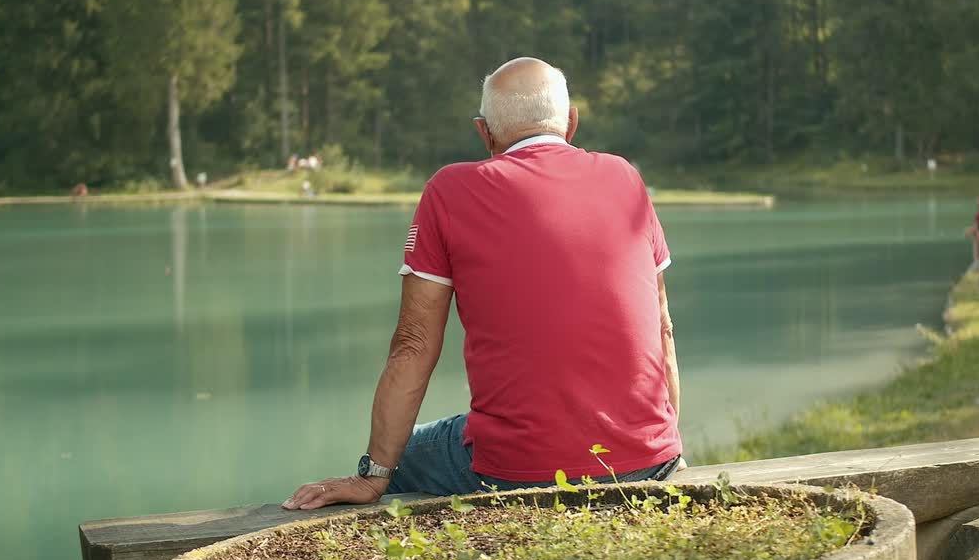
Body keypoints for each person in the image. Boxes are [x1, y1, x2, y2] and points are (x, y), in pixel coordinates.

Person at [282, 57, 682, 511]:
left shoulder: (450, 191)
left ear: (484, 132)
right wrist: (668, 450)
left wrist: (371, 475)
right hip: (651, 460)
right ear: (571, 123)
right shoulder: (625, 177)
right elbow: (663, 328)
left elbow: (413, 345)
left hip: (517, 471)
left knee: (406, 454)